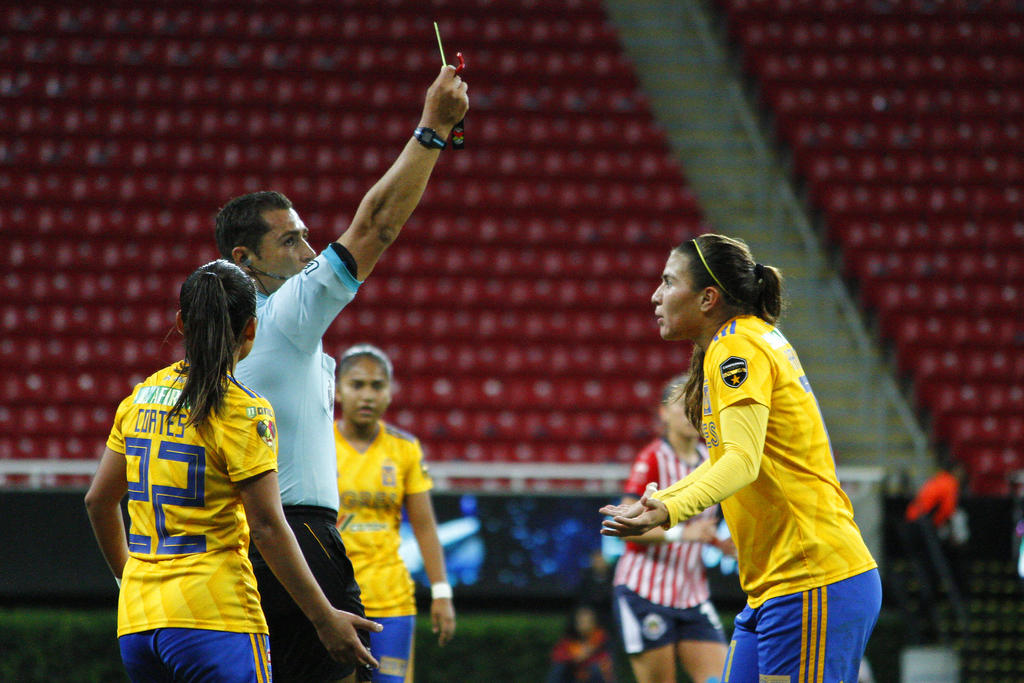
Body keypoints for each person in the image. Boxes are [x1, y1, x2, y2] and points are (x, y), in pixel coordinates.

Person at [213, 66, 468, 682]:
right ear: (244, 259)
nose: (309, 253)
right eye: (291, 241)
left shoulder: (214, 341)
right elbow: (377, 226)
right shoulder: (279, 318)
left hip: (237, 539)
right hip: (298, 532)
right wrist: (433, 129)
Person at [600, 234, 881, 683]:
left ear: (707, 298)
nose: (655, 295)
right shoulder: (739, 341)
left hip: (810, 577)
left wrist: (670, 510)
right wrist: (662, 503)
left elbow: (741, 463)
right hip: (774, 587)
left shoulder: (737, 347)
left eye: (668, 282)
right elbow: (725, 460)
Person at [84, 260, 382, 682]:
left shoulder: (140, 398)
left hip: (138, 623)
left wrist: (128, 579)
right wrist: (323, 617)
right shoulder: (244, 410)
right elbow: (266, 527)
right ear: (251, 330)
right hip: (215, 618)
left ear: (181, 323)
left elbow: (98, 501)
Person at [333, 343, 455, 682]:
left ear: (389, 393)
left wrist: (441, 592)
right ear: (338, 391)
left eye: (377, 386)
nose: (367, 395)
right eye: (357, 385)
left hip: (392, 601)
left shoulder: (404, 449)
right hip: (333, 602)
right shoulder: (318, 445)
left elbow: (425, 526)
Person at [612, 374, 730, 683]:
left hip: (692, 594)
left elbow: (702, 526)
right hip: (645, 591)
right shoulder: (652, 458)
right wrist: (683, 534)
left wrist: (718, 543)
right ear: (663, 413)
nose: (693, 411)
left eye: (699, 403)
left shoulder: (713, 460)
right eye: (683, 404)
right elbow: (626, 527)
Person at [547, 605, 617, 683]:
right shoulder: (568, 640)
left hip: (593, 676)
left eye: (588, 622)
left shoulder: (602, 638)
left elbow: (605, 661)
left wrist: (587, 653)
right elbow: (557, 657)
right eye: (581, 622)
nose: (584, 625)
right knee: (559, 668)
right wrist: (575, 657)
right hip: (573, 676)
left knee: (598, 669)